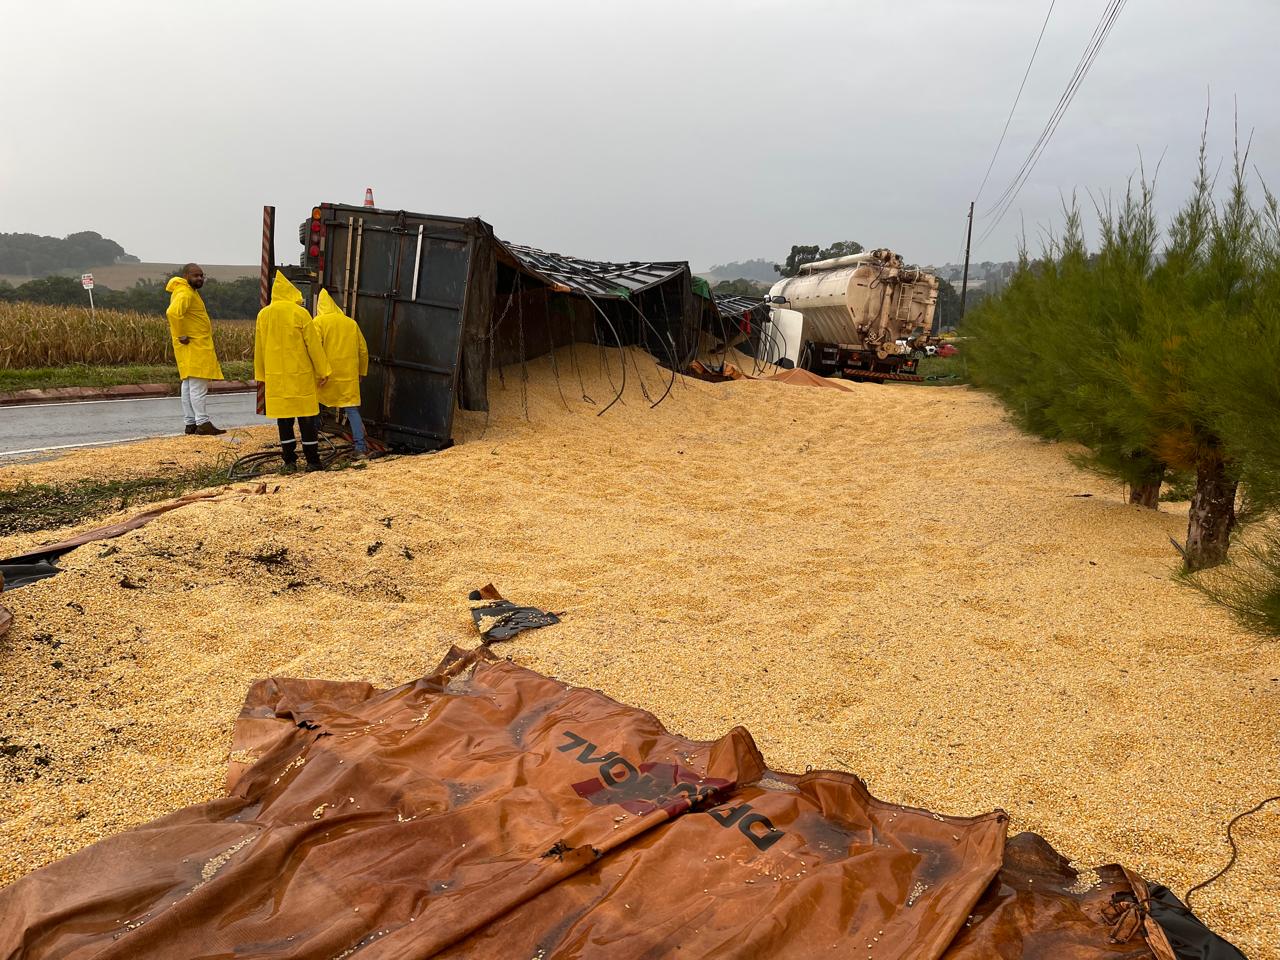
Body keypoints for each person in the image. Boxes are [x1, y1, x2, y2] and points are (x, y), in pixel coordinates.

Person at [254, 273, 332, 471]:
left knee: (284, 421)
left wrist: (261, 375)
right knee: (306, 420)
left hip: (276, 378)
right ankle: (313, 462)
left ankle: (289, 462)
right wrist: (323, 371)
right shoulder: (300, 313)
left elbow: (260, 348)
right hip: (301, 376)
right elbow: (313, 346)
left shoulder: (264, 314)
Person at [165, 263, 225, 435]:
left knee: (188, 384)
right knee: (198, 385)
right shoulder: (185, 292)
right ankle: (202, 422)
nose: (199, 278)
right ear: (186, 276)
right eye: (195, 275)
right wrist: (181, 334)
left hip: (191, 344)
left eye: (201, 275)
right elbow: (172, 313)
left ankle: (190, 422)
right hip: (194, 344)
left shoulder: (188, 291)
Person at [313, 289, 370, 458]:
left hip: (326, 376)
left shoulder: (318, 322)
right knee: (352, 410)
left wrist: (318, 375)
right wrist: (361, 372)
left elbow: (315, 351)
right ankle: (360, 448)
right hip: (348, 376)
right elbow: (363, 350)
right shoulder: (350, 323)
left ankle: (312, 445)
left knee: (315, 409)